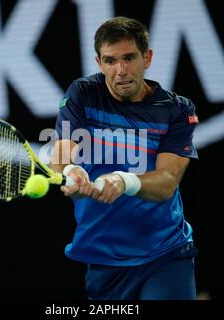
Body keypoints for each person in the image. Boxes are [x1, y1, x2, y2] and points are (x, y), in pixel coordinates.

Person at [50, 16, 199, 300]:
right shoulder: (83, 94)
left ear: (148, 57)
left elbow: (167, 182)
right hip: (103, 259)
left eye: (129, 58)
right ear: (99, 63)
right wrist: (71, 170)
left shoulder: (177, 110)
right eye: (110, 60)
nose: (121, 70)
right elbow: (61, 154)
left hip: (165, 253)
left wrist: (122, 180)